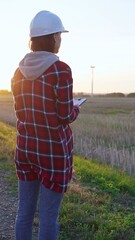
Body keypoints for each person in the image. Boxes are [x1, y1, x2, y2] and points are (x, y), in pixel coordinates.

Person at [11, 10, 80, 240]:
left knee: (24, 213)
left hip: (26, 148)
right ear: (51, 38)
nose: (60, 40)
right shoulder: (61, 70)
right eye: (59, 35)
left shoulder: (18, 73)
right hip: (53, 153)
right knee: (49, 217)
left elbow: (20, 113)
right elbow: (64, 115)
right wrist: (76, 108)